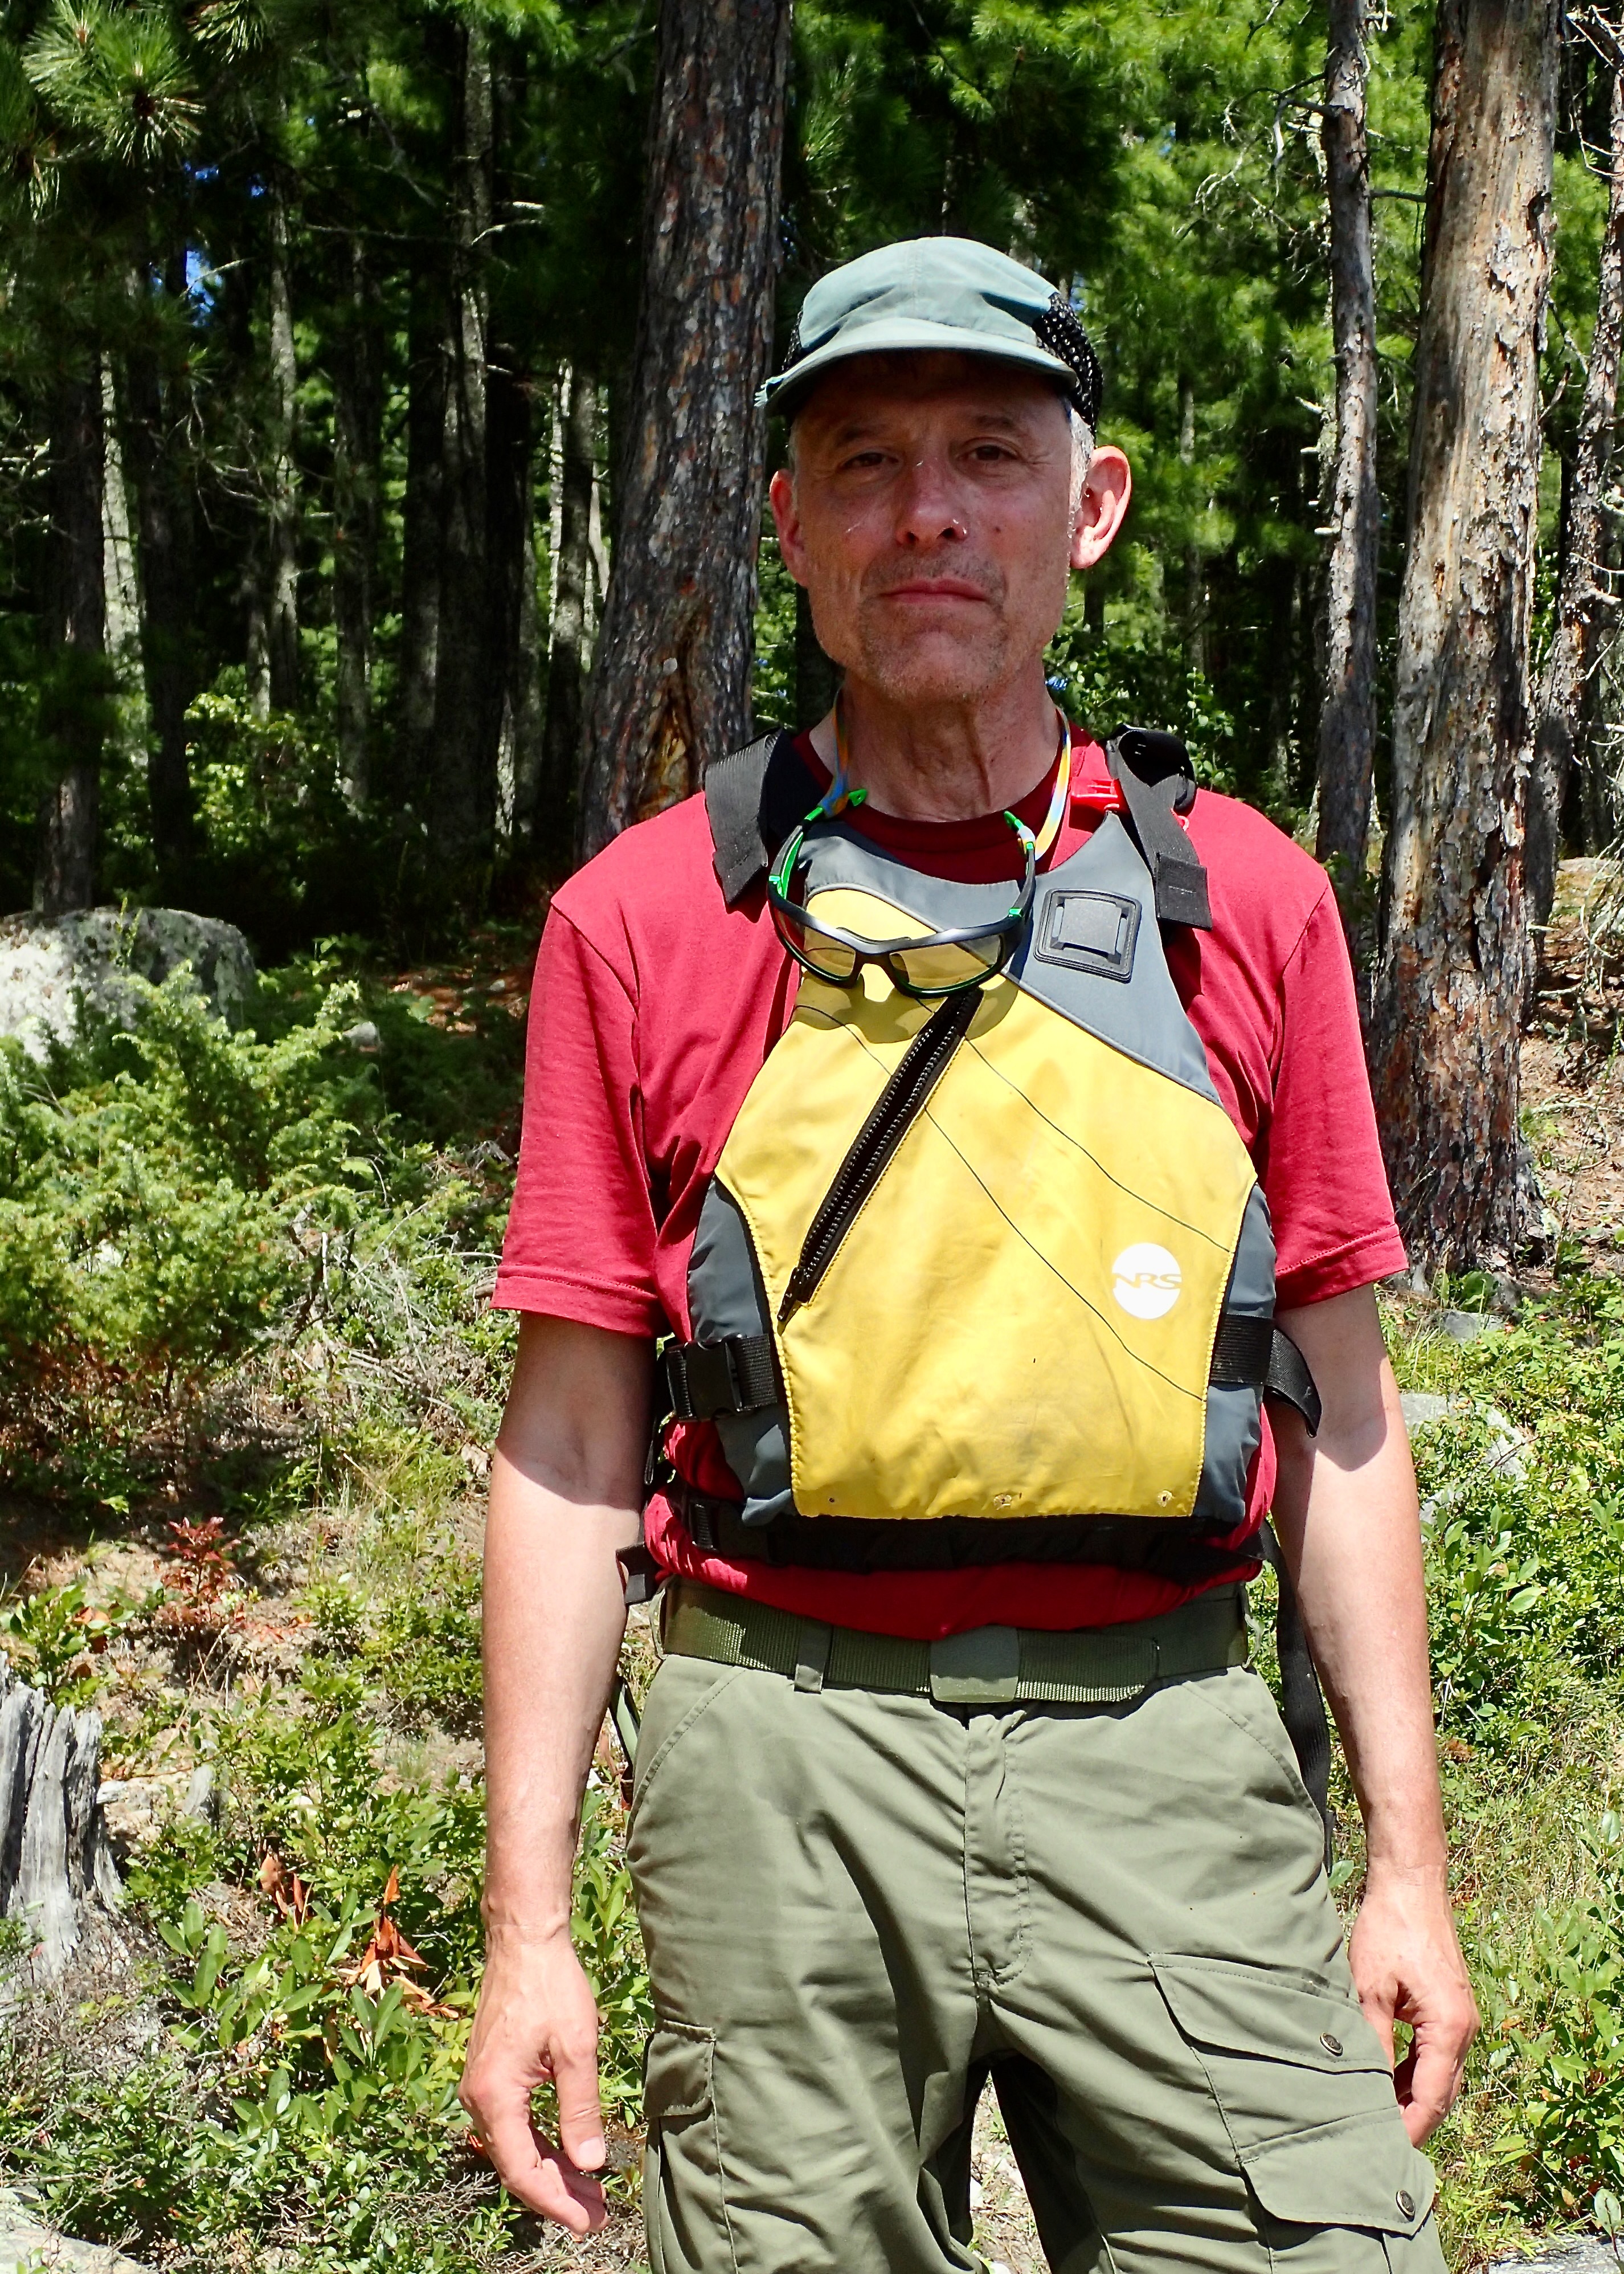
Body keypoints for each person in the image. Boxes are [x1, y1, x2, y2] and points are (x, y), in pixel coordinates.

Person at [459, 236, 1478, 2274]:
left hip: (1173, 1742)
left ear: (1086, 508)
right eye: (864, 461)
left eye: (989, 454)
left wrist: (1404, 1864)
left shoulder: (1244, 906)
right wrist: (530, 1932)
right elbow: (570, 1448)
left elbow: (1343, 1414)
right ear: (791, 530)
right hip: (778, 1765)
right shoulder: (647, 920)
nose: (927, 510)